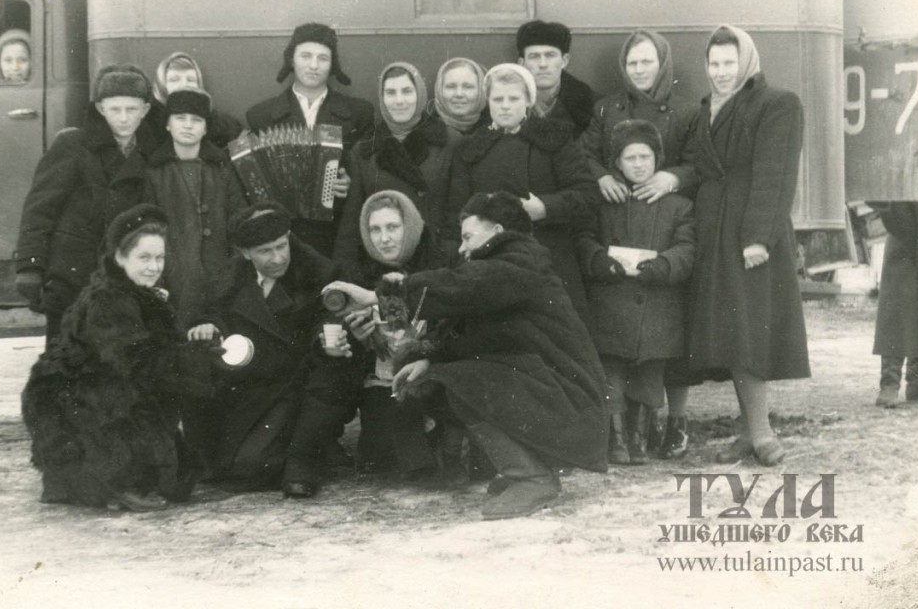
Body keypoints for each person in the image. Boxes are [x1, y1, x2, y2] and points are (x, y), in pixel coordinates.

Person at [324, 192, 609, 520]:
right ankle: (531, 469)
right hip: (552, 392)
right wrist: (428, 358)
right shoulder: (504, 267)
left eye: (468, 237)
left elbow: (465, 286)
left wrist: (379, 297)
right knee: (439, 380)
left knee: (462, 382)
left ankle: (531, 478)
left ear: (497, 231)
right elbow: (471, 331)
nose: (461, 248)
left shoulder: (520, 261)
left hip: (569, 399)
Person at [21, 204, 205, 511]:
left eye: (159, 258)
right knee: (156, 477)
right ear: (120, 257)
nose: (154, 267)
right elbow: (136, 362)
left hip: (99, 393)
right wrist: (194, 358)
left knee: (180, 480)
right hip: (80, 404)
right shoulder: (109, 300)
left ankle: (94, 476)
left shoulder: (133, 291)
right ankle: (104, 477)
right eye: (144, 258)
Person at [686, 24, 810, 466]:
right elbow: (697, 168)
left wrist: (759, 237)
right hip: (713, 230)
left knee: (748, 331)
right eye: (714, 64)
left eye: (729, 63)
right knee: (732, 333)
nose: (721, 72)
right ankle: (748, 431)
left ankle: (761, 432)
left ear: (748, 62)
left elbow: (775, 175)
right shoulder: (706, 110)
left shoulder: (777, 103)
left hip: (749, 234)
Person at [580, 29, 700, 459]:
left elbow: (697, 162)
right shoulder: (607, 109)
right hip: (619, 219)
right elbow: (586, 154)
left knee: (657, 350)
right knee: (613, 351)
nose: (639, 70)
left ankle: (655, 427)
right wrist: (602, 176)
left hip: (659, 223)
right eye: (632, 63)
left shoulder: (686, 111)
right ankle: (618, 435)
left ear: (662, 64)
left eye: (647, 62)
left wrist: (673, 177)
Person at [186, 203, 340, 491]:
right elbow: (212, 312)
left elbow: (329, 317)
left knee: (250, 468)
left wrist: (326, 338)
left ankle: (308, 453)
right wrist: (209, 325)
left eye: (282, 246)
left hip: (295, 390)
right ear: (245, 253)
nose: (278, 257)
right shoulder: (229, 279)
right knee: (225, 468)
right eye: (265, 251)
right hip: (249, 389)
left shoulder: (317, 274)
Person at [448, 62, 599, 326]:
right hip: (491, 263)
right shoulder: (471, 148)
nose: (505, 105)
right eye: (498, 99)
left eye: (513, 98)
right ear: (488, 101)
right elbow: (457, 208)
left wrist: (545, 208)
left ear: (528, 100)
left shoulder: (555, 139)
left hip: (549, 258)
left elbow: (587, 195)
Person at [14, 64, 153, 340]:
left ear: (145, 111)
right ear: (101, 109)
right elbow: (40, 208)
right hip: (72, 276)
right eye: (115, 109)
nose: (123, 118)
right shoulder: (74, 145)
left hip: (123, 278)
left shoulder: (150, 153)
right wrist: (30, 265)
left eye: (132, 109)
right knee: (66, 362)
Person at [343, 190, 461, 482]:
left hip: (437, 365)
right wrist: (358, 337)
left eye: (393, 228)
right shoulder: (360, 269)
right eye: (375, 230)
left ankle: (446, 438)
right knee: (380, 456)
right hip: (385, 378)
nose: (384, 239)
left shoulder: (444, 259)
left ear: (410, 227)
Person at [245, 23, 375, 256]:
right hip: (283, 238)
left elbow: (367, 174)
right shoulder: (260, 116)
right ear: (291, 60)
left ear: (332, 65)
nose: (314, 65)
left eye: (323, 58)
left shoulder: (359, 114)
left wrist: (349, 181)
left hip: (338, 234)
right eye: (306, 56)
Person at [333, 62, 460, 264]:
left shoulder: (449, 141)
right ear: (382, 99)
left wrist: (447, 255)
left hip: (436, 258)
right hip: (383, 260)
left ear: (419, 94)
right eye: (391, 93)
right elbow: (352, 221)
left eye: (407, 91)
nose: (399, 100)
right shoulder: (364, 150)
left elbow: (457, 211)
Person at [143, 88, 247, 330]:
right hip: (175, 279)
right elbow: (149, 231)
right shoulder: (154, 172)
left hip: (220, 276)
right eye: (180, 118)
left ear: (206, 128)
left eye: (196, 120)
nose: (188, 126)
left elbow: (238, 219)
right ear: (168, 124)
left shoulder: (222, 168)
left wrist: (234, 271)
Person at [869, 201, 918, 407]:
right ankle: (889, 384)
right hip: (903, 239)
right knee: (895, 312)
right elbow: (880, 196)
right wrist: (908, 229)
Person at [516, 20, 597, 137]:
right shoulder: (504, 101)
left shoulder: (591, 104)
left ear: (564, 61)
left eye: (550, 55)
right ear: (521, 63)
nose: (543, 64)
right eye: (534, 56)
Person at [146, 52, 243, 148]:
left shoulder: (219, 125)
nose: (184, 84)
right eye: (174, 80)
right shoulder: (149, 125)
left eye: (190, 80)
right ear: (161, 85)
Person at [429, 57, 490, 136]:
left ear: (481, 91)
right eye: (451, 86)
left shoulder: (498, 133)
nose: (459, 94)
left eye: (468, 87)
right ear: (439, 90)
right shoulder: (422, 137)